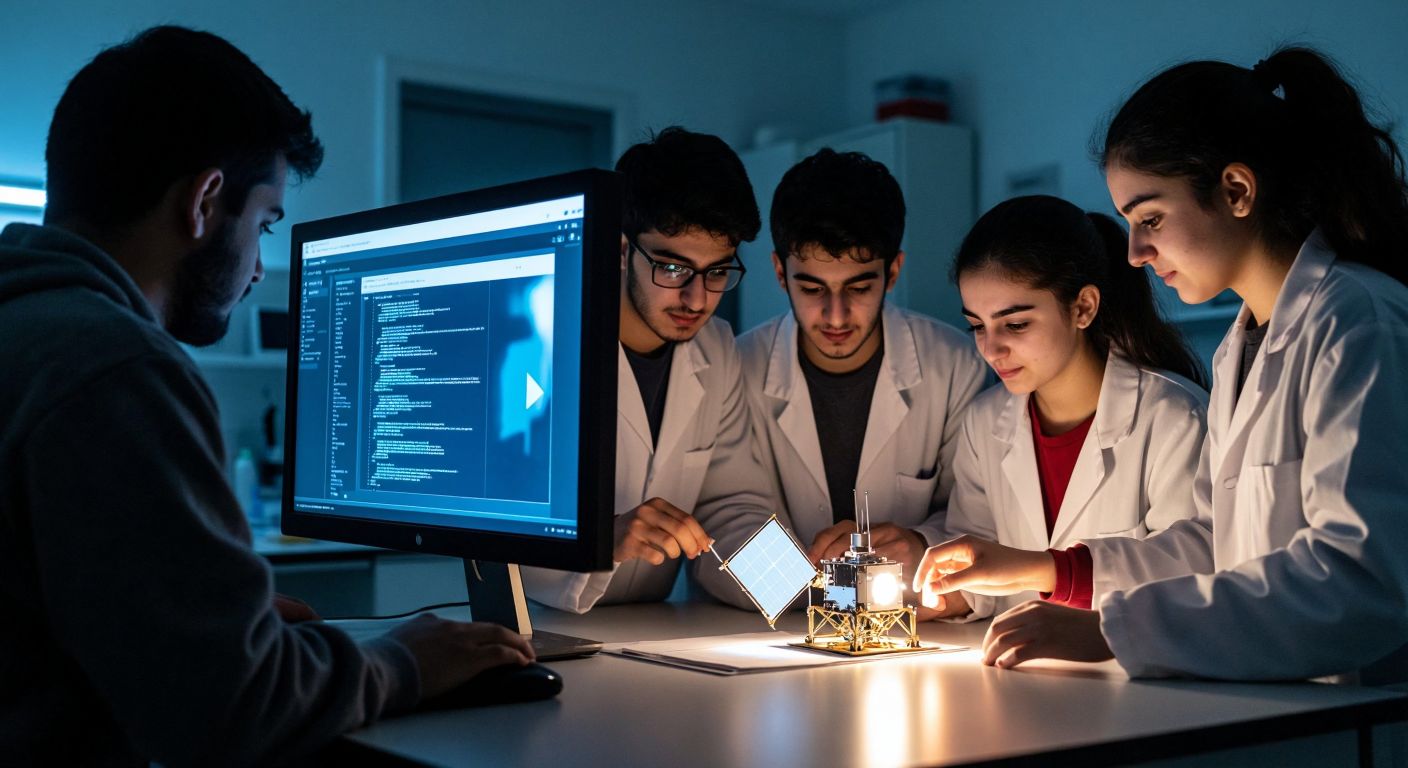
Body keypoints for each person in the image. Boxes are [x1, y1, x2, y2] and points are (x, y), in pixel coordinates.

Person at [0, 26, 533, 765]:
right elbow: (231, 707)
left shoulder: (24, 323)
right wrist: (404, 663)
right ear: (205, 201)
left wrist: (216, 624)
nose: (257, 268)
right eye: (265, 223)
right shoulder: (115, 368)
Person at [944, 47, 1408, 683]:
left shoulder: (1357, 320)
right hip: (1267, 702)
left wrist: (1114, 629)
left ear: (1237, 191)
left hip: (1357, 716)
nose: (1134, 252)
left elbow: (1358, 583)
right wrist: (1049, 572)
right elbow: (1207, 546)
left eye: (1150, 217)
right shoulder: (1242, 348)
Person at [913, 195, 1211, 624]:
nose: (991, 349)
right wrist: (939, 595)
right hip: (1017, 675)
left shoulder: (1172, 416)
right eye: (977, 325)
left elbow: (1194, 566)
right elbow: (985, 574)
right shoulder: (983, 423)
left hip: (1135, 678)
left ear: (1083, 308)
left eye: (1015, 324)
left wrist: (1047, 570)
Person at [521, 127, 774, 613]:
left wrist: (806, 587)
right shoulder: (540, 341)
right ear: (620, 250)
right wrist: (604, 538)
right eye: (673, 269)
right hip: (535, 626)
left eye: (717, 271)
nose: (697, 300)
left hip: (648, 628)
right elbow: (497, 520)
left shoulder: (716, 350)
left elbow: (728, 508)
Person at [732, 148, 987, 605]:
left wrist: (919, 545)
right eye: (811, 288)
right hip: (777, 624)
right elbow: (728, 516)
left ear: (893, 273)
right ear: (779, 273)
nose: (835, 315)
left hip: (901, 622)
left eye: (858, 287)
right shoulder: (739, 367)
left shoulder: (954, 364)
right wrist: (818, 589)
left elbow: (975, 513)